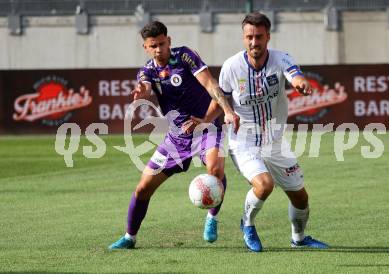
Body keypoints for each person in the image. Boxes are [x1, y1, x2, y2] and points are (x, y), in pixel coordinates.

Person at [109, 21, 239, 250]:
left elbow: (210, 84)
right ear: (145, 47)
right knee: (143, 188)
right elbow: (146, 88)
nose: (159, 49)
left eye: (162, 44)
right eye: (153, 46)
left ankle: (212, 218)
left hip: (204, 127)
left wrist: (227, 111)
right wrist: (142, 91)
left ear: (169, 41)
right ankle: (130, 237)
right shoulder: (147, 71)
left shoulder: (185, 57)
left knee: (216, 170)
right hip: (176, 139)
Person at [218, 12, 328, 252]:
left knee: (301, 198)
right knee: (264, 185)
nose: (254, 42)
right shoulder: (231, 67)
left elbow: (294, 75)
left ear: (268, 37)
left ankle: (298, 239)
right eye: (249, 37)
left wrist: (300, 83)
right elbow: (221, 99)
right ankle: (246, 224)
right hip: (244, 142)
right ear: (243, 37)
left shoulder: (281, 59)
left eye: (259, 37)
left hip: (275, 143)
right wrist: (206, 119)